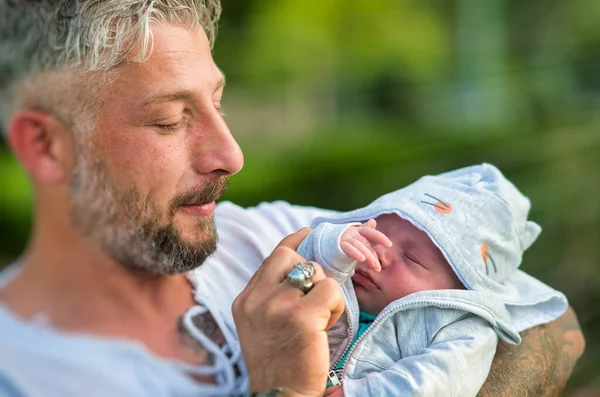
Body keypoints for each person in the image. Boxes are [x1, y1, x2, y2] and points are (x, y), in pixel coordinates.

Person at [0, 1, 585, 396]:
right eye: (170, 121)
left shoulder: (275, 235)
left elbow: (555, 324)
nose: (232, 154)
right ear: (47, 145)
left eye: (217, 104)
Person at [297, 164, 569, 396]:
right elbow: (293, 267)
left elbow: (439, 381)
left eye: (412, 258)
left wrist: (365, 392)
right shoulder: (340, 272)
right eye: (372, 233)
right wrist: (335, 244)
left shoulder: (461, 329)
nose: (377, 253)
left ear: (459, 290)